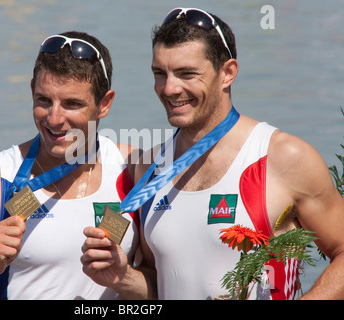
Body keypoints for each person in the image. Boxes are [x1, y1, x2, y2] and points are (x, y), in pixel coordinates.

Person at [81, 8, 344, 300]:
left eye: (186, 74)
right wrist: (124, 277)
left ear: (227, 73)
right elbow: (162, 285)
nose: (169, 88)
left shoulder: (283, 157)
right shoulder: (149, 168)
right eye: (160, 73)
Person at [0, 31, 140, 300]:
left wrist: (125, 278)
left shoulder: (137, 171)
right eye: (44, 100)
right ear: (32, 90)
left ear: (104, 104)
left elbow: (170, 283)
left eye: (72, 104)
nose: (54, 119)